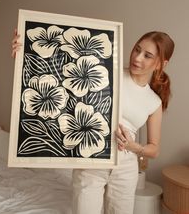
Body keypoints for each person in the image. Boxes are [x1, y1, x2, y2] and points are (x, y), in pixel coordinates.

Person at [12, 30, 175, 214]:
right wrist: (25, 51)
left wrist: (133, 146)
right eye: (137, 49)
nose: (137, 57)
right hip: (91, 161)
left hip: (125, 169)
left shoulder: (154, 102)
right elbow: (58, 73)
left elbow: (154, 148)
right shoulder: (108, 73)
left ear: (161, 63)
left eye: (147, 55)